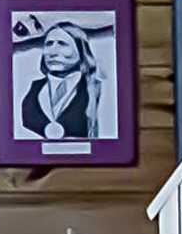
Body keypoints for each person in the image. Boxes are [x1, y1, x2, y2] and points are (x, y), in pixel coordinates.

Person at [14, 16, 111, 148]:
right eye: (49, 44)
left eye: (62, 44)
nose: (53, 52)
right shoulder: (33, 88)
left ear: (81, 50)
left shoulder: (99, 89)